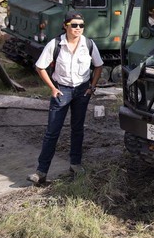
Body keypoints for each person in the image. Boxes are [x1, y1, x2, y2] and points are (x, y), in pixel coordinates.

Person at [27, 11, 103, 184]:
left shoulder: (89, 44)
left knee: (77, 130)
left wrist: (92, 86)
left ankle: (75, 164)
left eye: (81, 25)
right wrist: (53, 88)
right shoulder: (55, 44)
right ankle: (41, 172)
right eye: (74, 25)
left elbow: (98, 66)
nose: (78, 28)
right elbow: (40, 67)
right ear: (65, 26)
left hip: (82, 92)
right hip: (62, 91)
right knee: (52, 132)